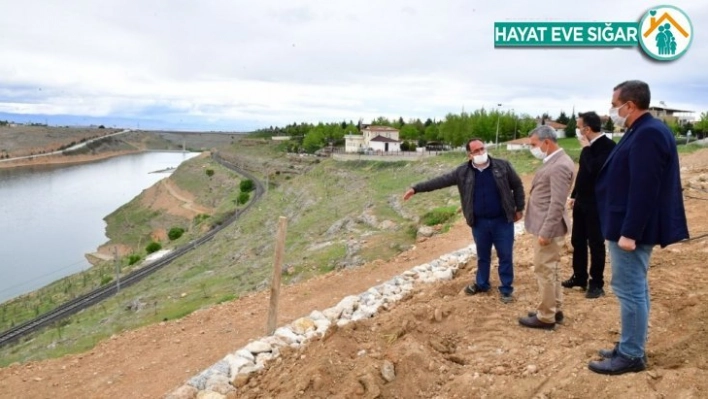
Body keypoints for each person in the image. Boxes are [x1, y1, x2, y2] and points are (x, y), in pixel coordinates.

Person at [589, 80, 689, 375]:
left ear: (629, 105)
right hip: (627, 224)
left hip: (631, 229)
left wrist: (630, 232)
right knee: (635, 287)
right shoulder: (642, 130)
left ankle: (632, 354)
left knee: (629, 289)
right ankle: (629, 345)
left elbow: (645, 189)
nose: (612, 110)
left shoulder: (648, 134)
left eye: (614, 103)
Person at [402, 138, 525, 303]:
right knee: (482, 256)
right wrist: (416, 188)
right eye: (476, 151)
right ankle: (482, 284)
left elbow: (517, 185)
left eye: (482, 148)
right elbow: (440, 181)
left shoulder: (502, 166)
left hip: (502, 220)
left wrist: (519, 208)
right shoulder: (462, 172)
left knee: (505, 255)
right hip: (479, 222)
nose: (481, 152)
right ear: (469, 155)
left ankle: (506, 289)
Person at [518, 125, 575, 330]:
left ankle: (546, 317)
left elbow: (557, 203)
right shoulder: (555, 160)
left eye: (534, 144)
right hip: (546, 225)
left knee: (545, 270)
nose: (532, 148)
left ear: (547, 142)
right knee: (553, 269)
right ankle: (554, 309)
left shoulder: (559, 165)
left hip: (548, 227)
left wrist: (546, 231)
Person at [562, 111, 616, 298]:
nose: (577, 130)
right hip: (582, 202)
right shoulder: (589, 146)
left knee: (596, 243)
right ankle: (579, 276)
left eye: (578, 127)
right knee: (577, 241)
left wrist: (586, 149)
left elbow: (595, 170)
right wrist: (574, 194)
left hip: (597, 204)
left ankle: (596, 283)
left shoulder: (608, 146)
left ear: (587, 129)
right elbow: (583, 173)